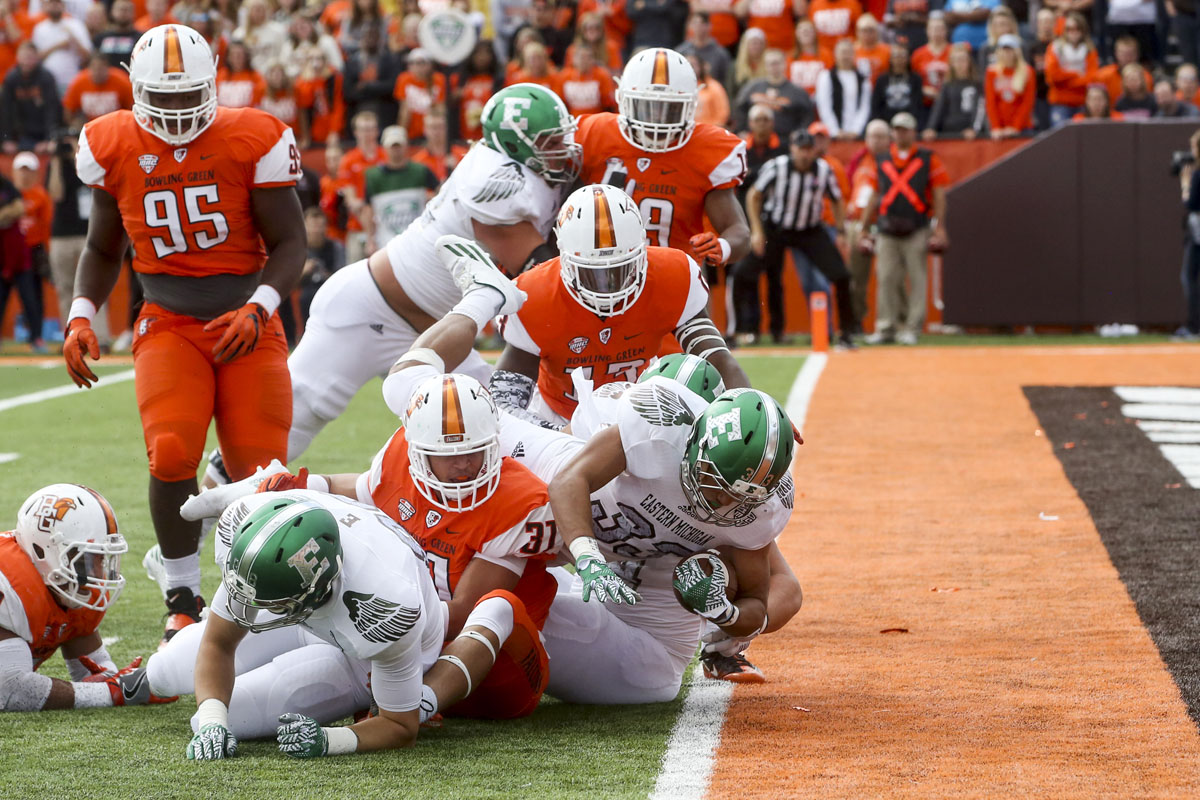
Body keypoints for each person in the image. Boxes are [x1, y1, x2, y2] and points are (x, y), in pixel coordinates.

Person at [63, 24, 306, 648]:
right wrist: (81, 312)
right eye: (161, 97)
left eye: (186, 95)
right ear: (137, 89)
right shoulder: (112, 141)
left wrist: (260, 305)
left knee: (262, 472)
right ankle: (180, 593)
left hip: (247, 322)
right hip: (168, 320)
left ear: (214, 81)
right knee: (171, 451)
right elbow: (100, 247)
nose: (174, 110)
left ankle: (267, 590)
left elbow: (289, 242)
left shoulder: (253, 136)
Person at [286, 83, 576, 461]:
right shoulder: (499, 185)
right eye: (549, 142)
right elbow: (544, 276)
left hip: (435, 330)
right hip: (369, 308)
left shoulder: (524, 174)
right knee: (280, 430)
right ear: (515, 145)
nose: (563, 150)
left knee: (505, 428)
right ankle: (212, 512)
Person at [490, 183, 749, 428]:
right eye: (593, 274)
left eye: (621, 270)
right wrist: (556, 436)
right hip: (560, 417)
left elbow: (718, 360)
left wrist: (750, 410)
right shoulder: (533, 296)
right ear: (564, 260)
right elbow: (502, 404)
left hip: (643, 416)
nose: (609, 287)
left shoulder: (673, 275)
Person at [0, 484, 177, 712]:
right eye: (84, 560)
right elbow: (9, 689)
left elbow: (97, 672)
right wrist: (113, 692)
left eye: (100, 560)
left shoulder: (62, 588)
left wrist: (110, 679)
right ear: (42, 550)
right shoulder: (10, 581)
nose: (96, 573)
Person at [575, 49, 751, 274]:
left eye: (669, 109)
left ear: (690, 106)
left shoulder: (707, 150)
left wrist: (723, 246)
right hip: (599, 275)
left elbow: (739, 231)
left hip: (674, 277)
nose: (656, 119)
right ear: (623, 100)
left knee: (696, 308)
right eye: (646, 107)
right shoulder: (593, 134)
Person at [747, 129, 858, 347]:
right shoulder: (777, 167)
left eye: (809, 150)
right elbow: (754, 194)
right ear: (793, 149)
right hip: (776, 228)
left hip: (809, 230)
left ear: (814, 151)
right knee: (744, 273)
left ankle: (846, 333)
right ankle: (742, 331)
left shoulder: (824, 170)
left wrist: (841, 232)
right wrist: (757, 231)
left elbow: (837, 199)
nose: (805, 155)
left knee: (841, 276)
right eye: (801, 150)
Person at [859, 111, 948, 345]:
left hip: (917, 226)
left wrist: (938, 226)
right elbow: (873, 195)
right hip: (887, 227)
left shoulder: (928, 158)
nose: (900, 133)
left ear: (913, 132)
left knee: (917, 278)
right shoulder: (881, 159)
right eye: (897, 130)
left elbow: (939, 194)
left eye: (905, 130)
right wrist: (864, 227)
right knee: (886, 277)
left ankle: (912, 327)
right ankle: (886, 326)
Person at [730, 104, 787, 346]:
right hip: (747, 222)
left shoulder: (782, 150)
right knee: (746, 277)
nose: (762, 124)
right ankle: (749, 328)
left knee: (775, 278)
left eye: (766, 119)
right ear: (750, 124)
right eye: (758, 120)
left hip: (775, 224)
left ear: (772, 123)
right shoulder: (741, 150)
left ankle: (777, 330)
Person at [48, 133, 111, 347]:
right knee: (65, 287)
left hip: (88, 233)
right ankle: (72, 337)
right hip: (61, 235)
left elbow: (88, 181)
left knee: (96, 287)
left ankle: (100, 337)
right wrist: (55, 160)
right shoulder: (55, 165)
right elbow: (55, 193)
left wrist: (78, 152)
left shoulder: (87, 163)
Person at [361, 126, 438, 254]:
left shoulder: (421, 171)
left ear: (406, 145)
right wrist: (370, 239)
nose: (396, 150)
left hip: (418, 241)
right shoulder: (373, 176)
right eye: (392, 146)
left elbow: (440, 193)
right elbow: (368, 210)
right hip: (386, 243)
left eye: (399, 145)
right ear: (384, 148)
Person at [844, 118, 890, 325]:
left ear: (889, 140)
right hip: (856, 224)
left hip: (884, 224)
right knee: (855, 277)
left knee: (888, 277)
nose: (876, 141)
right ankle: (856, 322)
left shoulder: (894, 162)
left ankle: (890, 323)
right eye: (873, 136)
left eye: (881, 136)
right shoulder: (859, 160)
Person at [13, 151, 52, 346]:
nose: (24, 175)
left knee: (32, 294)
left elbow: (46, 225)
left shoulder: (40, 195)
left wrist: (46, 252)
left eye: (28, 170)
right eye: (21, 170)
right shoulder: (8, 193)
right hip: (9, 251)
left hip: (32, 249)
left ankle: (36, 335)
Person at [733, 48, 816, 138]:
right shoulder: (752, 87)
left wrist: (799, 133)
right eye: (769, 64)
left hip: (785, 140)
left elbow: (807, 116)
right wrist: (742, 130)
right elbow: (739, 108)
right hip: (755, 141)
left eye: (776, 63)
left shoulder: (797, 92)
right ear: (764, 66)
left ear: (784, 64)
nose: (773, 67)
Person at [0, 42, 62, 153]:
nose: (27, 62)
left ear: (37, 58)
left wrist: (49, 139)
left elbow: (52, 109)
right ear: (17, 58)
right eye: (24, 57)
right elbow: (6, 110)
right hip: (22, 133)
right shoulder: (11, 78)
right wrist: (6, 139)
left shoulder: (46, 77)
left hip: (43, 131)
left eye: (31, 58)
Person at [1044, 12, 1097, 127]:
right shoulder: (1055, 48)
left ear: (1083, 30)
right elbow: (1053, 77)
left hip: (1082, 101)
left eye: (1077, 28)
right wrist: (1076, 75)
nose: (1073, 32)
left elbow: (1091, 79)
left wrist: (1065, 81)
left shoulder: (1090, 50)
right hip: (1060, 102)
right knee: (1060, 139)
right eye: (1069, 29)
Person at [923, 43, 986, 138]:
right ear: (951, 63)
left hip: (970, 132)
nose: (960, 64)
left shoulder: (977, 83)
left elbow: (980, 108)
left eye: (963, 60)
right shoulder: (947, 84)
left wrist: (974, 129)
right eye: (956, 60)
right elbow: (939, 108)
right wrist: (931, 128)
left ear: (969, 61)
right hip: (949, 131)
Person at [31, 0, 92, 97]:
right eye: (51, 3)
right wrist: (59, 45)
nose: (55, 6)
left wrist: (73, 40)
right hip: (47, 82)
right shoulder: (39, 28)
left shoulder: (76, 25)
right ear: (46, 6)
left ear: (64, 5)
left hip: (73, 80)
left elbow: (88, 56)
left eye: (58, 3)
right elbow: (35, 58)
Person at [815, 38, 872, 139]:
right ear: (835, 54)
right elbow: (824, 106)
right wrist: (834, 131)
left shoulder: (863, 79)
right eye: (842, 52)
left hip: (856, 135)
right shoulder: (825, 76)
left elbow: (864, 107)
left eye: (848, 52)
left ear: (854, 55)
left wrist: (855, 131)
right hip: (833, 135)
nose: (845, 56)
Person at [62, 51, 134, 128]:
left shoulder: (122, 81)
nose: (97, 72)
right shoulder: (79, 82)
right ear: (88, 68)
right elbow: (68, 111)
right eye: (94, 68)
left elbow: (132, 108)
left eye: (101, 68)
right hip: (89, 125)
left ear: (108, 68)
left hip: (115, 126)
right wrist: (75, 124)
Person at [984, 33, 1034, 138]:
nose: (1007, 53)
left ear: (1016, 51)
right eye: (1004, 49)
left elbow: (1027, 102)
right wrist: (996, 127)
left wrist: (1016, 127)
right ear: (999, 51)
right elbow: (991, 102)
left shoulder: (1027, 71)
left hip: (1022, 128)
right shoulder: (992, 72)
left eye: (1010, 49)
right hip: (999, 130)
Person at [393, 48, 447, 141]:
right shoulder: (404, 79)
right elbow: (404, 111)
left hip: (432, 131)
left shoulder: (439, 79)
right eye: (412, 63)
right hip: (412, 132)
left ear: (430, 65)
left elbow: (441, 109)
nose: (416, 67)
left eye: (420, 63)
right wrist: (401, 134)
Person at [870, 42, 924, 125]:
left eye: (902, 56)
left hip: (908, 122)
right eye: (896, 56)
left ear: (908, 58)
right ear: (890, 59)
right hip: (886, 121)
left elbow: (917, 105)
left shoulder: (915, 79)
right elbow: (876, 104)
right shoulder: (882, 79)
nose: (899, 60)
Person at [410, 108, 469, 183]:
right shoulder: (418, 162)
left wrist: (457, 169)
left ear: (447, 128)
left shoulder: (463, 155)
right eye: (432, 127)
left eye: (440, 127)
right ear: (425, 129)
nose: (436, 132)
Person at [557, 43, 617, 116]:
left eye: (589, 57)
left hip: (596, 118)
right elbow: (560, 103)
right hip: (573, 119)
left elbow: (608, 103)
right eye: (581, 57)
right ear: (574, 59)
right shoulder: (564, 76)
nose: (584, 61)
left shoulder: (601, 75)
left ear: (593, 60)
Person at [1180, 129, 1200, 339]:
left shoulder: (1197, 174)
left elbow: (1191, 203)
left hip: (1197, 235)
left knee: (1189, 277)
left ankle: (1194, 326)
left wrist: (1185, 185)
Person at [677, 11, 732, 88]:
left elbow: (727, 81)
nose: (698, 27)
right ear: (690, 25)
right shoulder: (681, 51)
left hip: (712, 93)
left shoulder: (720, 54)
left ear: (709, 26)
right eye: (695, 23)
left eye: (702, 23)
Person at [911, 13, 951, 107]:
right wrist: (923, 89)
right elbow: (912, 80)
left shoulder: (953, 51)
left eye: (940, 29)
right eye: (933, 29)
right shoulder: (918, 54)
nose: (936, 32)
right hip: (925, 103)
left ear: (946, 30)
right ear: (927, 31)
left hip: (949, 102)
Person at [788, 19, 832, 96]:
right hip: (797, 100)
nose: (805, 32)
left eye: (809, 30)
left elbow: (831, 79)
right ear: (796, 34)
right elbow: (788, 81)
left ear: (815, 33)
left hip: (821, 98)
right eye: (802, 30)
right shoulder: (790, 57)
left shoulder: (826, 55)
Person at [94, 0, 140, 68]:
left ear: (133, 13)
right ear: (112, 12)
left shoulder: (141, 39)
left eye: (126, 10)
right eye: (120, 9)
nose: (123, 13)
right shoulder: (100, 38)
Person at [852, 13, 890, 82]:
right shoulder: (852, 51)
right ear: (857, 32)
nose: (867, 34)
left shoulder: (887, 51)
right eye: (864, 30)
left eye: (871, 30)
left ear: (877, 32)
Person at [733, 26, 768, 94]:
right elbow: (731, 92)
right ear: (746, 45)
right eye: (754, 43)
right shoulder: (735, 66)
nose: (757, 46)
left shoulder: (768, 65)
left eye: (760, 43)